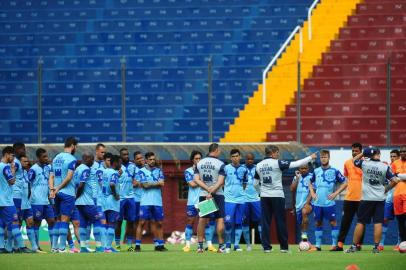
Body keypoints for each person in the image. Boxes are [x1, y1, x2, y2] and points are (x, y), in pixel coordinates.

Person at [254, 145, 317, 253]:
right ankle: (283, 248)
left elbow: (255, 183)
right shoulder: (277, 163)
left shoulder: (258, 165)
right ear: (273, 153)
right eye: (277, 153)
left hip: (264, 197)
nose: (278, 155)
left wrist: (261, 193)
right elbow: (296, 164)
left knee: (265, 222)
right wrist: (310, 157)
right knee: (280, 222)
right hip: (277, 196)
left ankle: (266, 248)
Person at [345, 147, 399, 253]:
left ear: (368, 155)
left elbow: (353, 161)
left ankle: (354, 246)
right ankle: (376, 248)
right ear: (378, 154)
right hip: (380, 198)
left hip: (366, 198)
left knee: (360, 222)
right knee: (378, 223)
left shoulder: (364, 164)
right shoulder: (385, 166)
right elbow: (395, 180)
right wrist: (386, 189)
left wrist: (362, 153)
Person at [309, 150, 347, 251]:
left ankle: (334, 245)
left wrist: (336, 193)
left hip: (329, 203)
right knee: (318, 223)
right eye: (321, 157)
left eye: (325, 157)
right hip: (317, 203)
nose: (323, 159)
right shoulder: (316, 171)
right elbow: (310, 182)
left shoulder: (335, 171)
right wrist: (312, 193)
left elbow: (345, 183)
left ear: (329, 158)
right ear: (319, 158)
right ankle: (318, 246)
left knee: (333, 222)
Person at [193, 143, 226, 253]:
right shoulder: (221, 164)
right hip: (218, 194)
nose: (220, 152)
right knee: (220, 219)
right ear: (216, 150)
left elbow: (196, 180)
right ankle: (221, 247)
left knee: (202, 219)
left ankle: (200, 246)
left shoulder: (199, 163)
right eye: (219, 150)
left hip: (204, 194)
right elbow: (221, 182)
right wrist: (212, 191)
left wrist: (207, 190)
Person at [49, 137, 78, 253]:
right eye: (76, 146)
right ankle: (61, 248)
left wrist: (52, 189)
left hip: (56, 193)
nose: (76, 148)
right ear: (72, 145)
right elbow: (69, 177)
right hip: (67, 193)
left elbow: (51, 176)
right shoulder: (72, 159)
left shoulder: (56, 158)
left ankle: (54, 247)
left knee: (57, 220)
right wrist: (58, 188)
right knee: (64, 221)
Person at [0, 146, 31, 253]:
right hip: (7, 201)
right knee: (14, 222)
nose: (13, 158)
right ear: (7, 154)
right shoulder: (5, 167)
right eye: (12, 155)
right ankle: (22, 246)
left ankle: (2, 248)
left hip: (1, 200)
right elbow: (12, 181)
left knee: (1, 223)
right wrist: (12, 170)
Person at [335, 143, 364, 251]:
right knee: (345, 222)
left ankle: (358, 244)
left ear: (361, 151)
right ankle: (340, 244)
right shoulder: (347, 163)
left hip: (362, 198)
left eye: (356, 151)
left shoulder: (366, 163)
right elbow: (346, 179)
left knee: (361, 222)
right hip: (349, 198)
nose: (354, 152)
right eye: (353, 150)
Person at [135, 152, 167, 252]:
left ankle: (160, 245)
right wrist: (156, 183)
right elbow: (145, 186)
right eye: (150, 159)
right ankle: (137, 245)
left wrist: (151, 184)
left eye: (154, 159)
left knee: (159, 223)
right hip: (145, 201)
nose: (153, 161)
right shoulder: (141, 171)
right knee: (142, 222)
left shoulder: (159, 171)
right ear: (146, 160)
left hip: (157, 201)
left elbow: (162, 184)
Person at [28, 148, 57, 252]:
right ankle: (36, 247)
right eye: (44, 156)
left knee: (52, 221)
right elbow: (28, 184)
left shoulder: (48, 168)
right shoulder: (33, 169)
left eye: (47, 156)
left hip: (47, 200)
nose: (46, 158)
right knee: (37, 223)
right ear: (38, 157)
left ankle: (54, 247)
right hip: (36, 201)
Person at [74, 152, 103, 253]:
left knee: (83, 223)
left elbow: (76, 184)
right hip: (86, 201)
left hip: (79, 202)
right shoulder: (86, 169)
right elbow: (81, 185)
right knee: (97, 221)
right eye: (91, 159)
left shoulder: (77, 169)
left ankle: (83, 247)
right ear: (86, 159)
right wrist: (77, 195)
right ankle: (99, 247)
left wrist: (76, 198)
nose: (93, 161)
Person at [224, 149, 247, 253]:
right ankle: (228, 243)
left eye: (237, 156)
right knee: (228, 222)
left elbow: (245, 183)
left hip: (241, 199)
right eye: (233, 156)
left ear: (240, 157)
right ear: (230, 158)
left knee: (239, 222)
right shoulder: (226, 168)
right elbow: (221, 181)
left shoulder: (244, 169)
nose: (235, 158)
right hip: (229, 199)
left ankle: (236, 244)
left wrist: (241, 192)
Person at [115, 148, 137, 251]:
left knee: (131, 222)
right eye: (124, 155)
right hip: (120, 198)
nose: (126, 156)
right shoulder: (117, 167)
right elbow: (112, 180)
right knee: (118, 222)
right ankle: (117, 244)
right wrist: (116, 175)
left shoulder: (133, 166)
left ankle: (129, 245)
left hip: (131, 197)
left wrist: (136, 182)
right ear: (120, 156)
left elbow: (136, 178)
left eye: (127, 154)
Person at [379, 149, 400, 250]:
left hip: (399, 197)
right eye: (391, 156)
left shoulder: (401, 168)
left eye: (394, 156)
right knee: (385, 219)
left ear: (399, 157)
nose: (392, 158)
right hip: (389, 199)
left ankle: (399, 243)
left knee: (401, 221)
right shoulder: (387, 168)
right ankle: (381, 244)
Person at [20, 155, 42, 252]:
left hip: (27, 203)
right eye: (24, 161)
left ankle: (34, 247)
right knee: (17, 225)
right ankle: (11, 246)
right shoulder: (16, 174)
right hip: (18, 203)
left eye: (27, 161)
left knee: (30, 223)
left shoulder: (26, 172)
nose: (27, 163)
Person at [182, 150, 202, 252]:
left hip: (204, 200)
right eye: (196, 159)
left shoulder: (205, 170)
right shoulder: (188, 171)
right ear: (192, 160)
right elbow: (192, 184)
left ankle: (208, 245)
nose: (198, 160)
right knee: (190, 222)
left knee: (206, 222)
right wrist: (201, 180)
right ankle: (188, 245)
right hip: (192, 201)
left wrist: (197, 180)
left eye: (199, 158)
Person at [241, 152, 261, 251]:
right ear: (245, 159)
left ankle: (263, 244)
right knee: (245, 222)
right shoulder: (241, 168)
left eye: (251, 159)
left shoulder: (258, 168)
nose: (250, 161)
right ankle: (248, 245)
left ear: (254, 159)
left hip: (256, 199)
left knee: (260, 221)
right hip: (244, 199)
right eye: (248, 159)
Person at [102, 154, 121, 253]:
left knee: (107, 224)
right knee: (112, 223)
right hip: (112, 201)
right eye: (120, 162)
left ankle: (106, 246)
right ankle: (108, 248)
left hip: (104, 201)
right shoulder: (114, 173)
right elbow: (112, 184)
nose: (120, 165)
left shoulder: (105, 171)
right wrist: (115, 194)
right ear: (115, 162)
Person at [90, 144, 107, 252]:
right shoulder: (91, 165)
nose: (103, 154)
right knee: (100, 221)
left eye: (104, 152)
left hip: (103, 199)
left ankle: (102, 246)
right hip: (94, 198)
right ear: (96, 151)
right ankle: (101, 246)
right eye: (102, 152)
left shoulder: (104, 166)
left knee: (103, 222)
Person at [290, 164, 313, 242]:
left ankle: (305, 239)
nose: (303, 170)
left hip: (308, 203)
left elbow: (313, 191)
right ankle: (304, 239)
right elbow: (292, 189)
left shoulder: (312, 177)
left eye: (305, 168)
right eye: (302, 168)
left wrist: (307, 203)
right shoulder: (296, 177)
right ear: (299, 169)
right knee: (301, 224)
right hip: (298, 205)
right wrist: (297, 178)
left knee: (304, 212)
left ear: (308, 169)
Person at [392, 145, 406, 244]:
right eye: (401, 152)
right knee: (400, 221)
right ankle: (403, 243)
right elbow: (392, 178)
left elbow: (397, 176)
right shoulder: (395, 163)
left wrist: (399, 175)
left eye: (404, 151)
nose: (402, 153)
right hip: (397, 195)